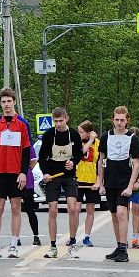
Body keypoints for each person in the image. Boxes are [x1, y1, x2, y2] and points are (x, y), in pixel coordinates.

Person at [0, 90, 33, 258]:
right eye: (3, 101)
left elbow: (27, 151)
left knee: (15, 208)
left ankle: (13, 245)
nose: (6, 104)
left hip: (15, 173)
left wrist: (23, 172)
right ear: (0, 104)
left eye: (9, 101)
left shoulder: (22, 123)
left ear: (14, 102)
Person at [96, 106, 139, 263]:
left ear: (127, 120)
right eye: (117, 119)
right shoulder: (106, 137)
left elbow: (136, 164)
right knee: (114, 214)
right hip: (110, 181)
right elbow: (101, 160)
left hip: (124, 181)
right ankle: (118, 245)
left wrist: (130, 186)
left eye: (122, 120)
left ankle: (124, 249)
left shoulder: (132, 138)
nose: (119, 122)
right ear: (113, 120)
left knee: (122, 213)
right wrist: (100, 182)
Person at [39, 108, 83, 259]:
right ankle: (52, 246)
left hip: (69, 176)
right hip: (53, 176)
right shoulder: (49, 135)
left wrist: (74, 162)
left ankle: (72, 243)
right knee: (52, 209)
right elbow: (42, 156)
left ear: (67, 119)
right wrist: (45, 173)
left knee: (73, 208)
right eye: (55, 121)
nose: (58, 124)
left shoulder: (74, 135)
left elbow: (79, 154)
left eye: (61, 121)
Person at [76, 120, 101, 246]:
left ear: (89, 132)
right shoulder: (76, 141)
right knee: (75, 209)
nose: (79, 134)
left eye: (81, 132)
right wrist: (90, 141)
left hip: (91, 181)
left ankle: (86, 236)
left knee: (90, 210)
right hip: (78, 179)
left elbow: (101, 164)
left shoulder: (98, 144)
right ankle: (73, 236)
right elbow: (79, 152)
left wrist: (98, 181)